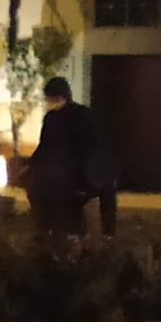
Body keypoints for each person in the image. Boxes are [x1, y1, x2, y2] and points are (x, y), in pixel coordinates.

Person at [24, 76, 117, 238]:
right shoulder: (52, 118)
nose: (51, 102)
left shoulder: (80, 116)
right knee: (42, 183)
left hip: (80, 170)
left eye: (52, 98)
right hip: (66, 169)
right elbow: (45, 147)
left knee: (57, 184)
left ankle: (64, 228)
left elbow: (90, 145)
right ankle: (52, 227)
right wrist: (29, 165)